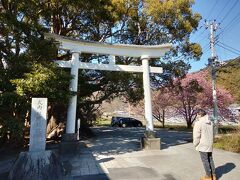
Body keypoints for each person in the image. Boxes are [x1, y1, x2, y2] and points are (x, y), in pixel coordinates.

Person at [193, 109, 216, 180]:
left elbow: (196, 135)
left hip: (202, 144)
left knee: (205, 160)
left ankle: (208, 176)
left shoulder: (198, 123)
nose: (196, 116)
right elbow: (213, 133)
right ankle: (213, 175)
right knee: (210, 159)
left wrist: (195, 144)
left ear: (199, 115)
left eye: (197, 114)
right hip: (209, 143)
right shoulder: (210, 122)